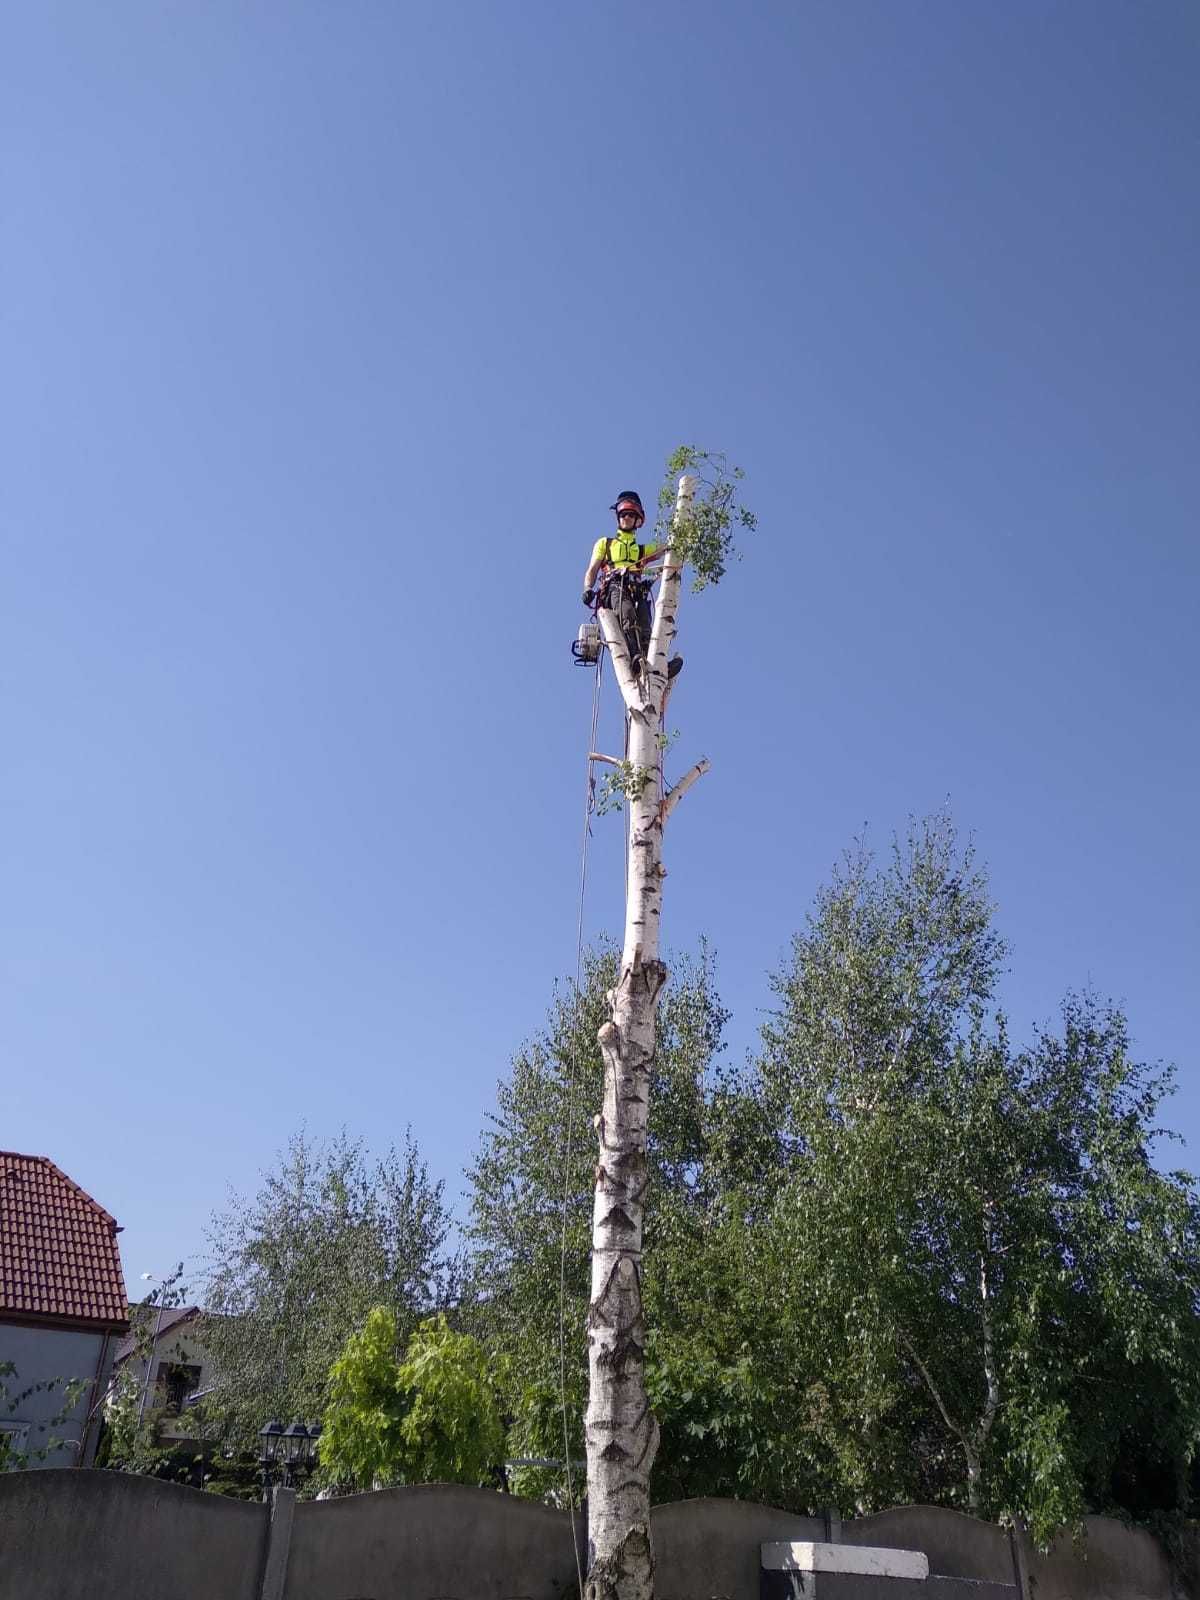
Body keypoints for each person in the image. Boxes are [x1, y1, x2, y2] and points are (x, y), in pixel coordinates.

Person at [581, 491, 682, 680]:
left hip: (637, 590)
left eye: (631, 515)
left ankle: (656, 665)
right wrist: (587, 588)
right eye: (623, 515)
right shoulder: (606, 544)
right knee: (627, 613)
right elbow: (592, 569)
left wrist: (682, 536)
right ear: (618, 517)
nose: (627, 518)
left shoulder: (641, 550)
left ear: (638, 520)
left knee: (645, 621)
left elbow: (665, 547)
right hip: (615, 587)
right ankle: (635, 656)